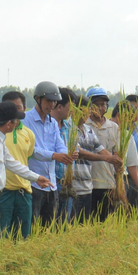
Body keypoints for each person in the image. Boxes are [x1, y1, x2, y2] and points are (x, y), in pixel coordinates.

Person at [0, 101, 52, 241]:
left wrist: (36, 177)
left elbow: (10, 162)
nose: (17, 123)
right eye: (16, 121)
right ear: (8, 124)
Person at [23, 81, 74, 227]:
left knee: (49, 226)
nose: (51, 104)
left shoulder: (52, 122)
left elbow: (60, 144)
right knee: (32, 224)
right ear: (38, 99)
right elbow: (30, 150)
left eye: (54, 101)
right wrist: (54, 155)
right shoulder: (26, 120)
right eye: (48, 100)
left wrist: (64, 155)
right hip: (34, 182)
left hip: (51, 185)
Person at [70, 97, 119, 223]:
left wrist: (115, 161)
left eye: (88, 111)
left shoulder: (88, 130)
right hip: (73, 187)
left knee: (86, 225)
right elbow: (80, 153)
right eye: (83, 111)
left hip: (87, 186)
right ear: (73, 111)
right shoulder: (69, 129)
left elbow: (101, 149)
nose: (86, 114)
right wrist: (107, 158)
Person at [0, 91, 37, 239]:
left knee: (23, 237)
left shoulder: (29, 134)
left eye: (19, 107)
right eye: (11, 107)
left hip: (24, 191)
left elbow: (27, 156)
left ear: (24, 108)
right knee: (1, 236)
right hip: (3, 192)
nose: (15, 111)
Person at [86, 86, 124, 221]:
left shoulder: (113, 127)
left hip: (107, 182)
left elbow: (117, 156)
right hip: (88, 182)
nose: (100, 108)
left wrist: (119, 185)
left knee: (104, 220)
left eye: (103, 104)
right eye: (96, 105)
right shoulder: (84, 124)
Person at [109, 101, 138, 208]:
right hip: (106, 180)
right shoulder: (105, 130)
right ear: (119, 115)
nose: (131, 123)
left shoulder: (127, 135)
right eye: (129, 119)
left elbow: (132, 164)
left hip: (123, 180)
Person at [52, 88, 77, 223]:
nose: (72, 111)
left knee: (64, 224)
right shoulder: (47, 126)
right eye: (70, 107)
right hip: (51, 183)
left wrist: (75, 153)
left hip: (66, 183)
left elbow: (74, 148)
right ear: (59, 107)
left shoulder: (69, 127)